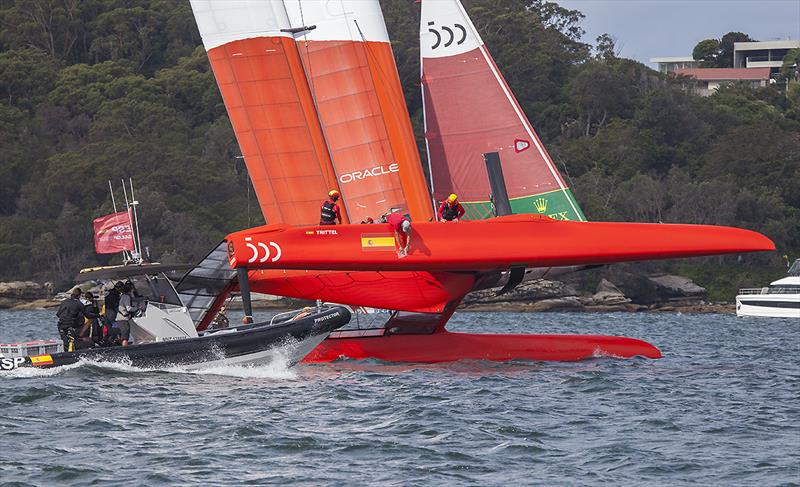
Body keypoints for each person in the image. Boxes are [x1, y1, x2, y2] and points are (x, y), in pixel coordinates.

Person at [115, 282, 137, 346]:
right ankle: (125, 352)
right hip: (123, 319)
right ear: (131, 289)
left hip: (119, 319)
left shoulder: (123, 295)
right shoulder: (127, 296)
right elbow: (129, 308)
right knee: (125, 337)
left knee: (123, 336)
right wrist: (137, 308)